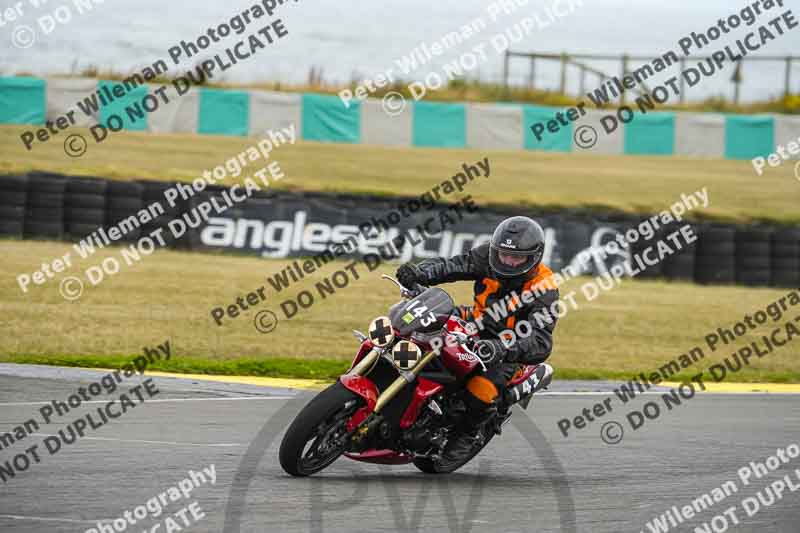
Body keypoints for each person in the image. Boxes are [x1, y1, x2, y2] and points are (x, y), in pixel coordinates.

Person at [395, 216, 559, 462]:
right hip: (474, 322)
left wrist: (500, 347)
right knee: (418, 329)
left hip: (509, 349)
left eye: (516, 257)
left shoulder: (544, 288)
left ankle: (468, 434)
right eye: (504, 254)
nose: (508, 261)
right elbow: (453, 266)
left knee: (481, 389)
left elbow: (540, 341)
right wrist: (420, 272)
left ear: (533, 257)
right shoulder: (487, 257)